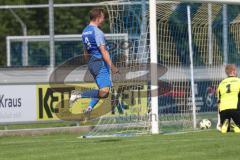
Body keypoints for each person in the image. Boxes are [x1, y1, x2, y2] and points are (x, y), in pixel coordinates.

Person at [69, 8, 119, 113]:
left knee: (102, 90)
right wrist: (113, 67)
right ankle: (78, 94)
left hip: (93, 63)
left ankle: (90, 107)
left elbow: (85, 51)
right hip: (100, 63)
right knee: (105, 92)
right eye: (103, 17)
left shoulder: (85, 31)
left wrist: (90, 64)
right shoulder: (97, 32)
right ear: (98, 17)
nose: (104, 19)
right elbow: (104, 51)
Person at [217, 64, 240, 133]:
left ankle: (226, 125)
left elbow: (218, 102)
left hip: (223, 111)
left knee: (226, 129)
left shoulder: (221, 83)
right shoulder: (238, 81)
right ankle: (236, 125)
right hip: (235, 110)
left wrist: (219, 120)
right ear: (233, 71)